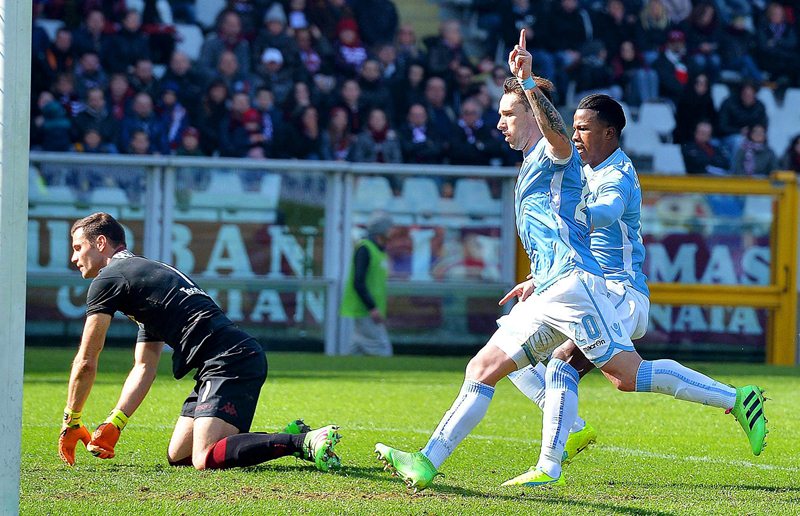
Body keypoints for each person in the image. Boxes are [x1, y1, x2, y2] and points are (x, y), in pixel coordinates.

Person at [375, 29, 768, 493]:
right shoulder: (534, 164)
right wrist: (535, 278)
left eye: (507, 115)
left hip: (594, 287)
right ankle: (428, 461)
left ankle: (735, 399)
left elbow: (565, 152)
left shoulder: (558, 153)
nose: (500, 124)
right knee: (485, 366)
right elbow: (563, 227)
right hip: (557, 285)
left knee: (626, 374)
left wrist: (527, 85)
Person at [502, 94, 769, 487]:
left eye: (584, 128)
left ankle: (551, 461)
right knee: (519, 344)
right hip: (585, 287)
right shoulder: (585, 170)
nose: (574, 135)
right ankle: (736, 399)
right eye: (572, 127)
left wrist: (571, 215)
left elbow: (607, 212)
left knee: (562, 363)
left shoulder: (618, 173)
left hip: (618, 291)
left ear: (609, 134)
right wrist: (540, 277)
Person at [58, 213, 341, 471]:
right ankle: (287, 436)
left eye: (78, 247)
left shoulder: (109, 279)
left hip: (229, 360)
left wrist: (71, 420)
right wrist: (116, 423)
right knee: (178, 455)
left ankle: (302, 441)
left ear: (101, 242)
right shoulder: (143, 276)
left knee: (203, 458)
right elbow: (144, 366)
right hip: (222, 361)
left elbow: (86, 360)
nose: (74, 257)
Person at [340, 212, 394, 357]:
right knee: (382, 348)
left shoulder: (378, 251)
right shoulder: (365, 249)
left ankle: (343, 367)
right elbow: (358, 282)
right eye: (389, 228)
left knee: (357, 347)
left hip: (367, 309)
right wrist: (372, 307)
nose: (392, 232)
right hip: (365, 309)